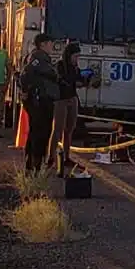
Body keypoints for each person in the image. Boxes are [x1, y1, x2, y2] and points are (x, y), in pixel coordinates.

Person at [18, 33, 60, 173]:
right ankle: (35, 164)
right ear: (42, 44)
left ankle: (32, 164)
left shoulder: (43, 59)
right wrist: (25, 92)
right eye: (50, 43)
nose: (52, 46)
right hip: (39, 101)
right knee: (39, 133)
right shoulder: (37, 59)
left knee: (37, 132)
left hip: (42, 100)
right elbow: (25, 75)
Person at [49, 42, 90, 175]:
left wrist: (85, 80)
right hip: (61, 100)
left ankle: (66, 157)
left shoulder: (75, 67)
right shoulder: (60, 66)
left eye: (78, 57)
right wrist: (74, 81)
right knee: (57, 129)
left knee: (69, 129)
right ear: (69, 55)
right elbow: (62, 80)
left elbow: (77, 82)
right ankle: (51, 157)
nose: (76, 59)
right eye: (75, 56)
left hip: (72, 99)